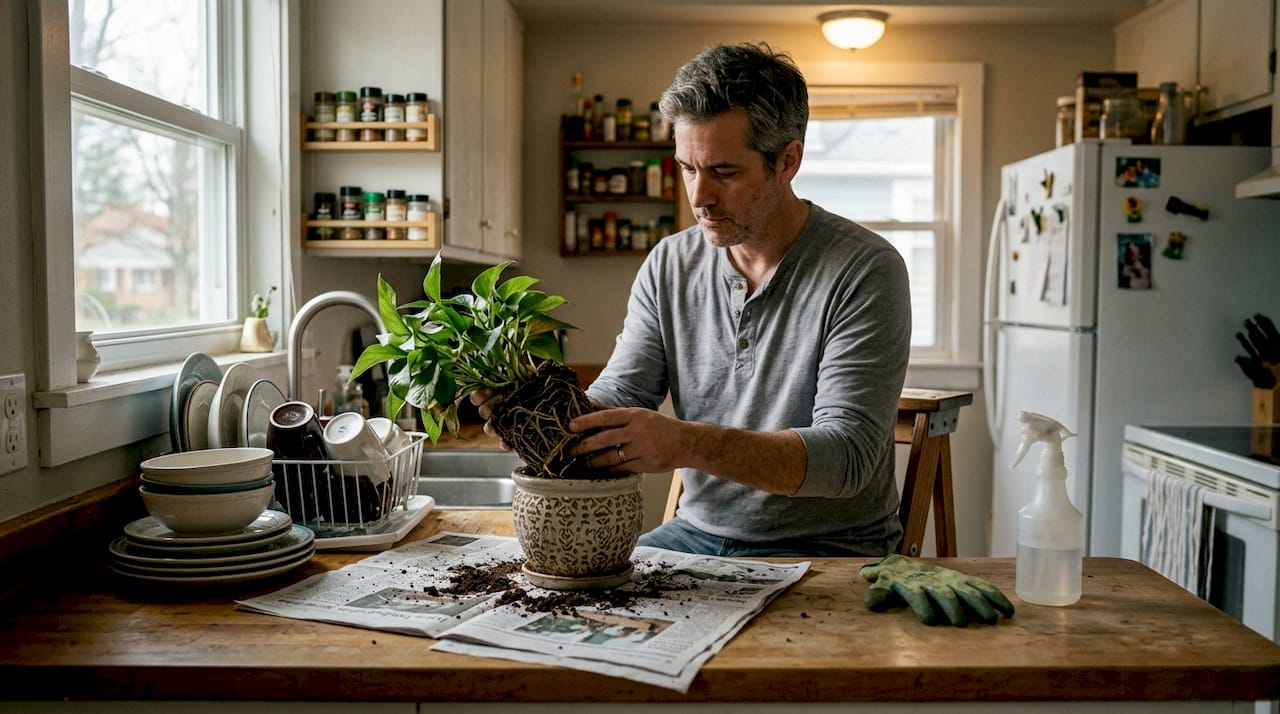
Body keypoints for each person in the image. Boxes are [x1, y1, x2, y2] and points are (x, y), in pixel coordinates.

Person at [476, 42, 911, 558]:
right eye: (687, 168)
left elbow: (848, 458)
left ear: (787, 161)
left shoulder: (865, 269)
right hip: (695, 536)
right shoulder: (669, 263)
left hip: (828, 549)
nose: (699, 197)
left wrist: (686, 443)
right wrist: (540, 417)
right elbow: (624, 390)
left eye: (724, 172)